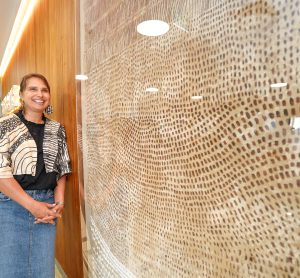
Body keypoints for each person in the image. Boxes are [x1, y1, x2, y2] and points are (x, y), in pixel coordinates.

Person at [0, 73, 71, 278]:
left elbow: (62, 168)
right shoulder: (5, 124)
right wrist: (33, 206)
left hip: (48, 207)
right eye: (33, 89)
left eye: (44, 90)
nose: (40, 94)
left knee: (43, 270)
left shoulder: (57, 129)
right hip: (11, 206)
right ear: (21, 94)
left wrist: (59, 203)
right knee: (10, 269)